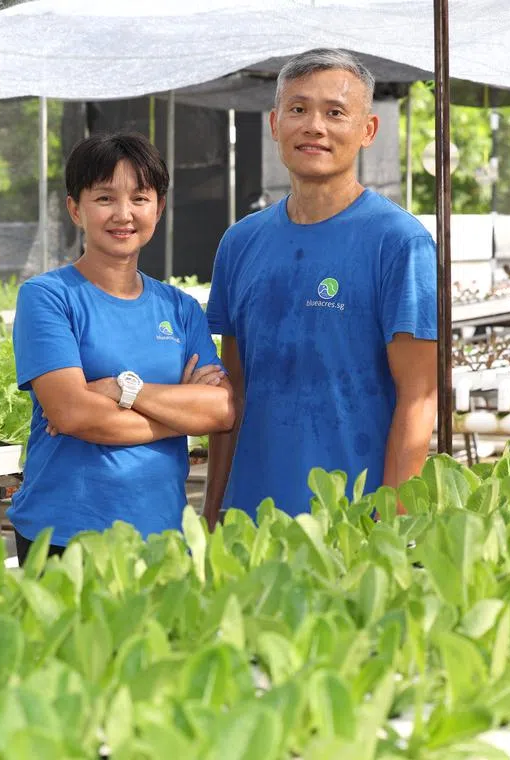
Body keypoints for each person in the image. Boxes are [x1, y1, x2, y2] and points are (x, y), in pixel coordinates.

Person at [204, 49, 438, 527]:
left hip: (353, 521)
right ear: (274, 123)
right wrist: (212, 512)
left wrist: (389, 525)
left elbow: (419, 398)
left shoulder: (399, 242)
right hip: (253, 519)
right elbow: (234, 395)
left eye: (335, 112)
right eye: (298, 109)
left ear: (368, 130)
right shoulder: (239, 242)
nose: (314, 126)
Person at [9, 132, 236, 565]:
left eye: (139, 197)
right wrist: (178, 418)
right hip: (65, 535)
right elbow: (73, 413)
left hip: (163, 534)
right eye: (105, 198)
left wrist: (121, 389)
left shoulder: (181, 308)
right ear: (76, 209)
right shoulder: (48, 297)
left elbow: (221, 411)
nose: (123, 214)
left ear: (159, 207)